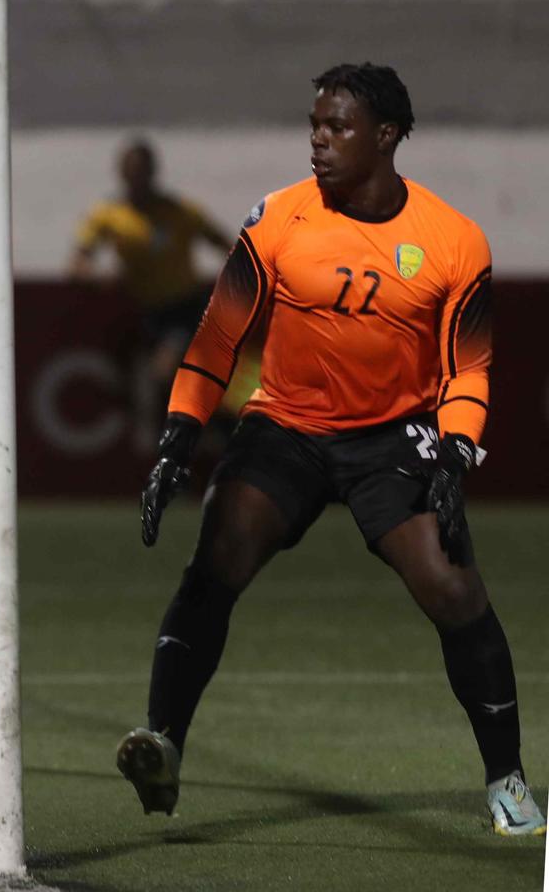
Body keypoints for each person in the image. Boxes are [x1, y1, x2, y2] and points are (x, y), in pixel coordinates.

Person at [119, 63, 545, 839]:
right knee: (218, 557)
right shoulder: (277, 219)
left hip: (394, 436)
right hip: (286, 426)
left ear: (385, 138)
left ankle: (508, 782)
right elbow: (216, 339)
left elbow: (468, 369)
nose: (317, 140)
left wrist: (454, 457)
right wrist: (178, 441)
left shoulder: (453, 241)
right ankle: (163, 742)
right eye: (314, 125)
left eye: (336, 127)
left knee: (453, 590)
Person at [70, 139, 232, 452]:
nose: (138, 181)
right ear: (121, 175)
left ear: (153, 173)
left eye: (143, 173)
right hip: (141, 309)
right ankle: (184, 438)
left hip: (184, 307)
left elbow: (226, 244)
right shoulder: (108, 216)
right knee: (132, 382)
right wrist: (94, 276)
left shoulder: (180, 212)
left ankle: (202, 433)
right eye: (131, 174)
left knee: (164, 371)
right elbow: (78, 262)